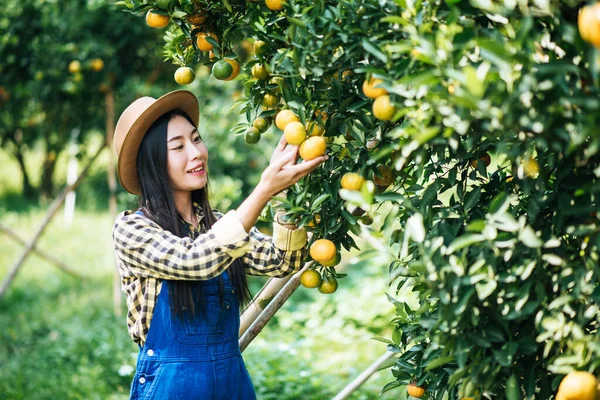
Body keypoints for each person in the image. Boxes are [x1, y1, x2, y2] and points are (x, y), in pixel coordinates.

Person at [111, 90, 326, 399]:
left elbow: (283, 261)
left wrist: (284, 198)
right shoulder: (133, 228)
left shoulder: (217, 225)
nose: (196, 153)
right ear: (153, 163)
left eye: (196, 139)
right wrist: (262, 190)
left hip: (231, 385)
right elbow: (193, 261)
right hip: (172, 388)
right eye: (178, 146)